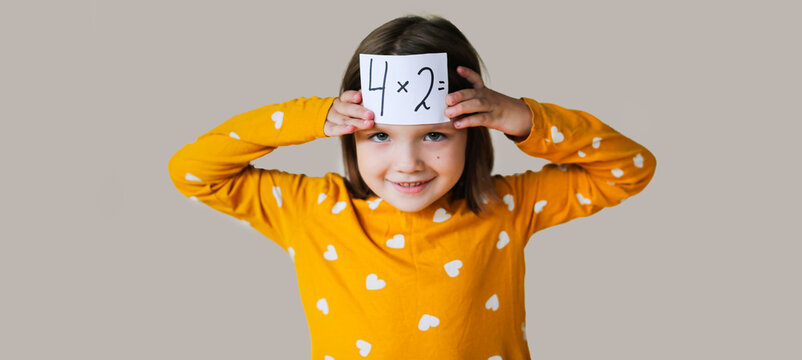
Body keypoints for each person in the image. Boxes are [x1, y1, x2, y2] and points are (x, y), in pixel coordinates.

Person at [168, 14, 656, 360]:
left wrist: (522, 117)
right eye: (380, 135)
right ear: (350, 135)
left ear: (472, 131)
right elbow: (192, 169)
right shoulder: (310, 210)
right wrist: (314, 116)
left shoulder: (505, 205)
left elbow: (630, 168)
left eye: (435, 135)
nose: (408, 163)